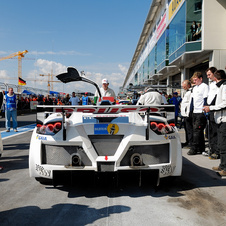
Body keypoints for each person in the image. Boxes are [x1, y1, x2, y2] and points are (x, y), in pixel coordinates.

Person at [203, 70, 226, 176]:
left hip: (224, 120)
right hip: (220, 119)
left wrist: (211, 108)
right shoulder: (221, 86)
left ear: (216, 78)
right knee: (221, 144)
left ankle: (225, 168)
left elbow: (225, 104)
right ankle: (222, 165)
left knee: (223, 144)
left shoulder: (224, 86)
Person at [187, 72, 209, 155]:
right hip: (195, 112)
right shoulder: (195, 88)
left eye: (196, 80)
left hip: (201, 111)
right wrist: (191, 110)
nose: (194, 81)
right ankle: (201, 148)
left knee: (197, 130)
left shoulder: (205, 87)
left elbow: (205, 99)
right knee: (196, 131)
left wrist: (205, 110)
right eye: (194, 80)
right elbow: (192, 100)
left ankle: (194, 148)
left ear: (201, 79)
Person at [204, 67, 219, 158]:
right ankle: (212, 149)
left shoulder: (218, 84)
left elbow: (217, 97)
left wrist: (210, 106)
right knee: (210, 131)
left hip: (214, 109)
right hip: (209, 109)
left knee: (215, 131)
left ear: (214, 73)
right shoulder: (211, 84)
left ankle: (216, 151)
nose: (208, 77)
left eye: (209, 75)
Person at [181, 80, 193, 148]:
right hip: (184, 114)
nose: (183, 87)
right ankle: (187, 141)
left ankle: (190, 143)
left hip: (187, 113)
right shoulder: (186, 92)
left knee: (189, 129)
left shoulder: (190, 92)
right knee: (186, 128)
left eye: (184, 86)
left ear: (188, 85)